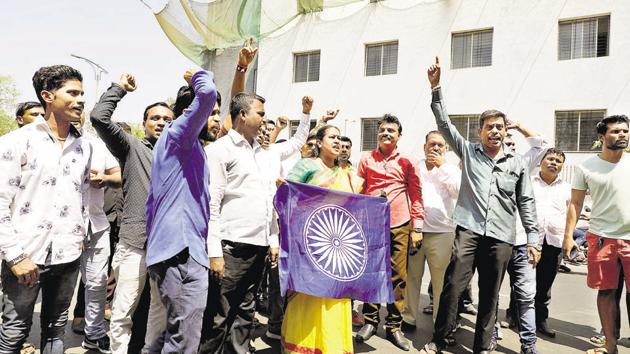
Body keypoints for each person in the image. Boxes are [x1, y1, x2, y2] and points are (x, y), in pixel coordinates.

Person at [421, 57, 539, 354]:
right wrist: (436, 88)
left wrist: (533, 240)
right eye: (489, 127)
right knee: (453, 287)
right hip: (469, 230)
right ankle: (440, 338)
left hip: (501, 237)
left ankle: (483, 346)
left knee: (490, 293)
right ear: (480, 131)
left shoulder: (517, 163)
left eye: (499, 127)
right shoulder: (469, 152)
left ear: (504, 132)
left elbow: (525, 201)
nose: (495, 131)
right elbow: (444, 124)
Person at [0, 65, 90, 354]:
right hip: (26, 257)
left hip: (68, 256)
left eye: (82, 94)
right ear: (47, 96)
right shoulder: (17, 142)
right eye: (72, 93)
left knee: (55, 331)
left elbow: (82, 197)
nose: (80, 100)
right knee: (14, 333)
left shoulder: (83, 146)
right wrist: (14, 256)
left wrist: (80, 237)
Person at [90, 74, 173, 354]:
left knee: (158, 314)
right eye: (155, 118)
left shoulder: (180, 155)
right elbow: (100, 118)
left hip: (167, 246)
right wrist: (120, 89)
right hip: (135, 243)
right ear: (145, 123)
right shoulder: (132, 147)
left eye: (167, 119)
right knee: (124, 309)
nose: (161, 123)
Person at [145, 69, 217, 352]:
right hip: (181, 252)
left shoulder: (186, 146)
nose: (216, 119)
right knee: (183, 341)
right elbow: (207, 93)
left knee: (168, 336)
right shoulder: (180, 136)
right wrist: (198, 76)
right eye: (212, 113)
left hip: (173, 250)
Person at [281, 124, 362, 354]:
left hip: (337, 251)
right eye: (332, 137)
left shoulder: (348, 175)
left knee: (335, 299)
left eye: (340, 138)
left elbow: (357, 207)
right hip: (309, 247)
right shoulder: (306, 165)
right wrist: (284, 189)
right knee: (309, 297)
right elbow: (288, 195)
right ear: (319, 141)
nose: (337, 141)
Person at [355, 114, 424, 351]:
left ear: (399, 135)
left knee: (398, 276)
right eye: (383, 130)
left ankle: (394, 326)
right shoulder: (365, 159)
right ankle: (370, 321)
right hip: (371, 223)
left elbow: (416, 194)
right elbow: (358, 190)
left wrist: (417, 227)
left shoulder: (408, 160)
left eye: (391, 131)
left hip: (400, 223)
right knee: (372, 273)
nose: (386, 134)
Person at [563, 114, 630, 354]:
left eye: (625, 130)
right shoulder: (586, 167)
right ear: (602, 137)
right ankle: (610, 346)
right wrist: (568, 236)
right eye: (615, 131)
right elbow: (575, 203)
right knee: (607, 293)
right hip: (602, 238)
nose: (622, 134)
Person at [403, 131, 460, 329]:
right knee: (412, 277)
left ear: (446, 149)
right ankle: (409, 318)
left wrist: (441, 166)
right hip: (415, 231)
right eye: (432, 144)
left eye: (440, 145)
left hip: (442, 233)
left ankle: (440, 324)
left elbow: (458, 191)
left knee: (441, 281)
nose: (435, 148)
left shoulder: (451, 170)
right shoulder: (414, 167)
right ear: (424, 147)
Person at [531, 148, 570, 340]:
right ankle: (514, 315)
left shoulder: (567, 188)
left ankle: (540, 321)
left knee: (545, 285)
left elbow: (572, 214)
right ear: (541, 161)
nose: (554, 163)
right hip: (530, 241)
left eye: (558, 160)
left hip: (554, 241)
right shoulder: (529, 183)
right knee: (522, 281)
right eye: (550, 159)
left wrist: (569, 238)